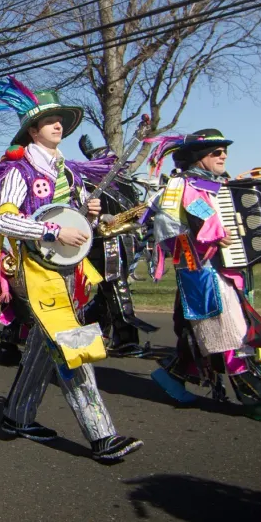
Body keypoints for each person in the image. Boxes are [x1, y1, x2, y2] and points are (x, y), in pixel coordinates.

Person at [0, 76, 141, 461]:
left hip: (71, 273)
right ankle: (103, 436)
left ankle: (16, 416)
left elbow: (76, 227)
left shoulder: (70, 173)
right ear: (32, 130)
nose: (58, 124)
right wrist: (52, 230)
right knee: (71, 348)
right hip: (34, 272)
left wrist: (89, 217)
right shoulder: (19, 171)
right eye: (49, 120)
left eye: (60, 119)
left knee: (42, 348)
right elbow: (5, 222)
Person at [147, 129, 261, 421]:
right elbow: (168, 226)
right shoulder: (181, 185)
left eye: (224, 150)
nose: (223, 155)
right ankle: (255, 400)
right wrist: (208, 236)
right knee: (231, 336)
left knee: (206, 334)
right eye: (215, 152)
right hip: (202, 272)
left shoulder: (223, 186)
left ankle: (173, 375)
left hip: (229, 270)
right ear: (197, 157)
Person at [77, 134, 159, 356]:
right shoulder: (87, 185)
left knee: (108, 294)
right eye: (110, 161)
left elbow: (134, 213)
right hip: (103, 244)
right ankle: (126, 340)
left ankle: (82, 325)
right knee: (117, 289)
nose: (116, 164)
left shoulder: (126, 184)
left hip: (125, 241)